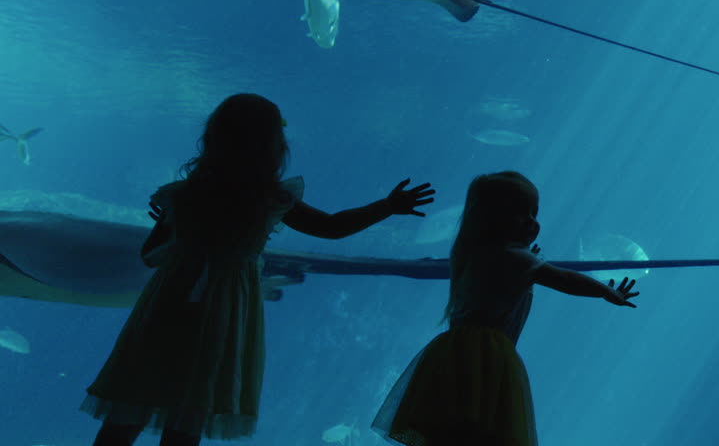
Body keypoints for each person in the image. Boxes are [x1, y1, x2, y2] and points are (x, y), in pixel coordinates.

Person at [83, 93, 435, 446]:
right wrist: (388, 206)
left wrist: (171, 227)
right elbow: (331, 227)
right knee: (190, 408)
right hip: (223, 307)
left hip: (168, 302)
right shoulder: (270, 197)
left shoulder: (182, 194)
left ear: (213, 138)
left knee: (132, 398)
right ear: (272, 145)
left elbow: (150, 255)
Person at [372, 171, 638, 446]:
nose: (532, 222)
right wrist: (606, 291)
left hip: (450, 355)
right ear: (494, 218)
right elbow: (564, 279)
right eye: (522, 213)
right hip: (487, 358)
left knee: (446, 431)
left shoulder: (472, 252)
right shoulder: (514, 258)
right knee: (483, 431)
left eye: (534, 213)